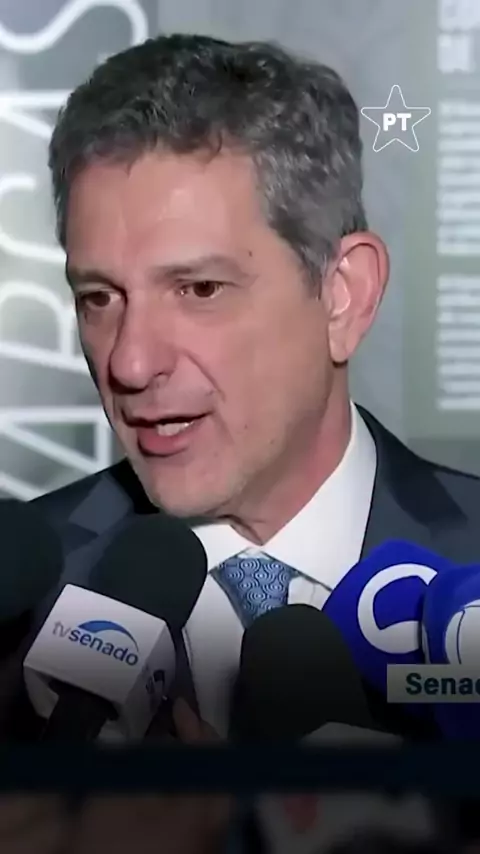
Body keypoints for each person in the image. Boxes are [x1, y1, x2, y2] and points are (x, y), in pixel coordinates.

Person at [9, 31, 480, 740]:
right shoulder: (18, 610)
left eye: (199, 289)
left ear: (343, 297)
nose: (131, 364)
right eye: (99, 298)